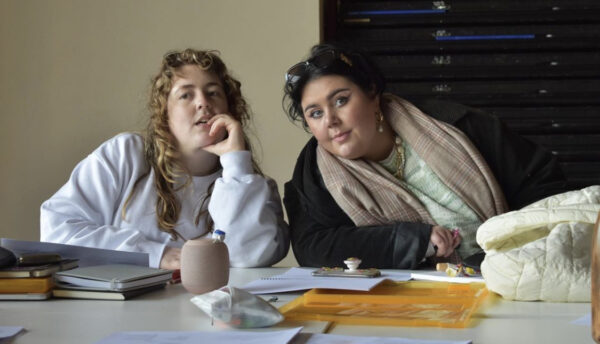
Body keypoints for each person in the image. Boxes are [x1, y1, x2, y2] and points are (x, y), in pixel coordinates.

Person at [282, 43, 568, 269]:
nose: (330, 120)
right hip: (409, 303)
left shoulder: (454, 125)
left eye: (341, 100)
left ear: (371, 92)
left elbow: (545, 184)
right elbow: (314, 249)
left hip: (513, 276)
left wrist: (520, 250)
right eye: (315, 113)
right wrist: (414, 240)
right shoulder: (312, 177)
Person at [41, 48, 289, 270]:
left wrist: (236, 163)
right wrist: (156, 254)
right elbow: (57, 230)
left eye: (213, 93)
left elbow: (251, 256)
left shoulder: (250, 183)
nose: (203, 102)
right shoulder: (125, 154)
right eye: (186, 95)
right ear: (164, 113)